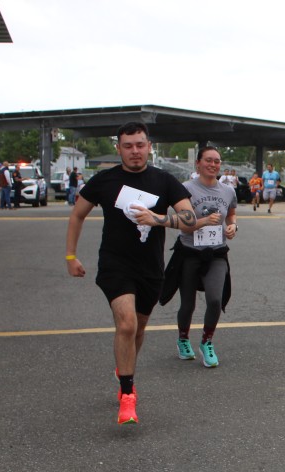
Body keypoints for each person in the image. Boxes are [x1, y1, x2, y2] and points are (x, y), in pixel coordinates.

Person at [65, 121, 215, 424]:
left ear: (149, 147)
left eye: (140, 144)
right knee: (127, 324)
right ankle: (127, 394)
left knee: (138, 329)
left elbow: (189, 220)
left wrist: (157, 219)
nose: (135, 150)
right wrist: (71, 256)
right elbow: (77, 215)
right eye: (128, 145)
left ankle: (124, 368)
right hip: (115, 264)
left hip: (150, 268)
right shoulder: (104, 180)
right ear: (118, 148)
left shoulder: (164, 181)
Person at [159, 146, 238, 368]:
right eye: (208, 160)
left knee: (215, 299)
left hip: (216, 253)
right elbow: (180, 222)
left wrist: (233, 226)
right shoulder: (185, 189)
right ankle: (183, 339)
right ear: (198, 163)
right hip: (189, 253)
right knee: (188, 304)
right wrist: (202, 222)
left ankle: (207, 341)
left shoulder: (228, 191)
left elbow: (231, 214)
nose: (213, 165)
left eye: (217, 161)